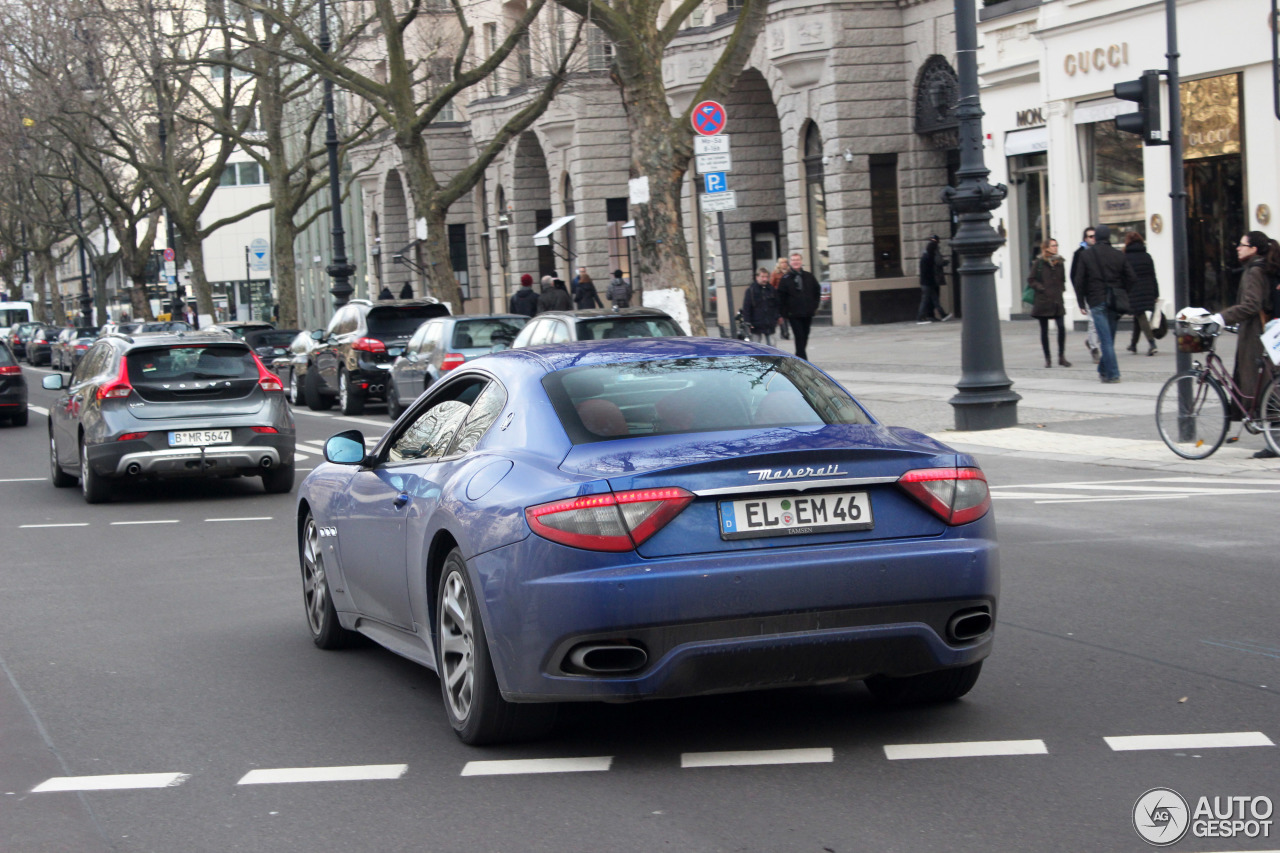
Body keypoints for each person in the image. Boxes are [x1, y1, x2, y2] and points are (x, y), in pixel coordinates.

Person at [1205, 231, 1280, 457]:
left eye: (1242, 244)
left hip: (1258, 336)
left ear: (1253, 249)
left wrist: (1221, 318)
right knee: (1271, 386)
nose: (1238, 248)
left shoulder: (1254, 271)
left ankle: (1274, 444)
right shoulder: (1267, 266)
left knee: (1268, 390)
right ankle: (1273, 441)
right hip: (1270, 332)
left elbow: (1251, 304)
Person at [1072, 224, 1134, 383]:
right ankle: (1103, 370)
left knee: (1105, 340)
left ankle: (1113, 374)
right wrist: (1123, 291)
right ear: (1109, 237)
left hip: (1096, 300)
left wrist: (1081, 301)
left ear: (1097, 238)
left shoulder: (1086, 256)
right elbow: (1132, 278)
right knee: (1109, 339)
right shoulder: (1118, 255)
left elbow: (1079, 281)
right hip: (1115, 300)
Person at [1028, 238, 1071, 368]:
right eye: (1053, 246)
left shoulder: (1059, 262)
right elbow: (1031, 279)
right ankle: (1048, 358)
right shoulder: (1039, 262)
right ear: (1046, 248)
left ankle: (1061, 356)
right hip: (1043, 301)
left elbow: (1062, 278)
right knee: (1044, 331)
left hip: (1057, 300)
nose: (1055, 248)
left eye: (1056, 245)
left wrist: (1061, 289)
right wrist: (1041, 288)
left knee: (1061, 328)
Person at [777, 251, 822, 360]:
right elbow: (780, 297)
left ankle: (798, 356)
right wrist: (783, 313)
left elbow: (817, 291)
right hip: (793, 314)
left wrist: (814, 306)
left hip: (807, 312)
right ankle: (803, 359)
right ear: (790, 263)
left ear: (801, 262)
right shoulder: (786, 278)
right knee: (799, 336)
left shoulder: (809, 276)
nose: (795, 262)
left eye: (797, 260)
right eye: (793, 260)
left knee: (805, 335)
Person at [1122, 231, 1160, 356]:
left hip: (1134, 290)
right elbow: (1153, 276)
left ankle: (1152, 343)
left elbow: (1124, 277)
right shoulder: (1147, 256)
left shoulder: (1126, 257)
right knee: (1138, 315)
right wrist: (1156, 293)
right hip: (1148, 289)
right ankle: (1133, 344)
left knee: (1140, 315)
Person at [1070, 227, 1102, 364]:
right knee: (1093, 322)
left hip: (1101, 292)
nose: (1093, 238)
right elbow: (1074, 276)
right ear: (1085, 238)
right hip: (1088, 293)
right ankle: (1094, 348)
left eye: (1094, 236)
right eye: (1090, 236)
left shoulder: (1100, 252)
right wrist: (1080, 298)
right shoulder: (1079, 254)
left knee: (1101, 323)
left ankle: (1091, 341)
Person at [916, 235, 952, 324]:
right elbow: (932, 268)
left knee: (934, 300)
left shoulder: (925, 257)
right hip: (928, 283)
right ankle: (920, 318)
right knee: (926, 300)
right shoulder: (928, 258)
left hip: (927, 282)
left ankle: (943, 315)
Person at [741, 268, 780, 346]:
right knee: (755, 347)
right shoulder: (751, 290)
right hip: (756, 324)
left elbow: (777, 305)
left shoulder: (771, 290)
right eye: (762, 277)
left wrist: (776, 317)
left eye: (766, 277)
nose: (765, 279)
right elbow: (747, 308)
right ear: (757, 277)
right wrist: (747, 322)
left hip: (769, 323)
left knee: (772, 347)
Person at [771, 257, 792, 340]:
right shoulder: (775, 273)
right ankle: (785, 332)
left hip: (788, 296)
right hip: (779, 296)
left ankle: (785, 332)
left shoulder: (789, 273)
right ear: (779, 264)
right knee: (782, 315)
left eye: (785, 262)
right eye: (782, 263)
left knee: (787, 315)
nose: (784, 264)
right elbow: (772, 285)